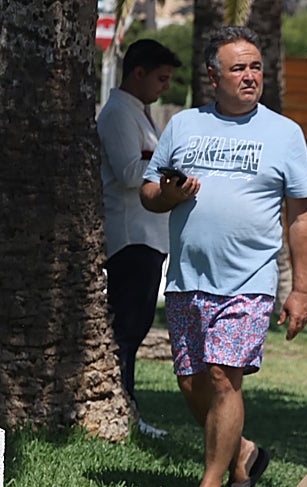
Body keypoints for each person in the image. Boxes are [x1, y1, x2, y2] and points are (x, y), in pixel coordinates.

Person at [140, 26, 307, 487]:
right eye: (237, 68)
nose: (250, 76)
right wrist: (171, 195)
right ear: (213, 77)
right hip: (187, 278)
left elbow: (300, 216)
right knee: (191, 380)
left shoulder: (285, 134)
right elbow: (150, 193)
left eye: (255, 66)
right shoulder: (183, 126)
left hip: (250, 280)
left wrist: (300, 289)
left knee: (222, 376)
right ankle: (242, 456)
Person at [97, 38, 182, 437]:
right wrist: (168, 163)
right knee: (127, 328)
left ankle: (128, 407)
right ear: (138, 73)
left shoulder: (139, 113)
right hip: (130, 237)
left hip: (148, 237)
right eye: (161, 78)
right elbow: (132, 172)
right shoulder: (117, 114)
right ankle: (122, 407)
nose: (165, 87)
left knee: (137, 325)